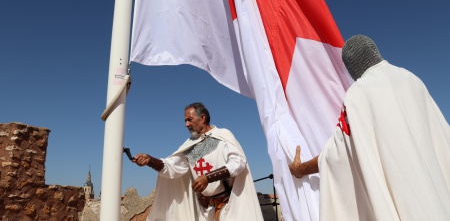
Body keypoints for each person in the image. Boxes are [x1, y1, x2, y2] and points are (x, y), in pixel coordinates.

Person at [289, 35, 450, 220]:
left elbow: (337, 155)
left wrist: (300, 169)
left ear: (350, 66)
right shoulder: (411, 79)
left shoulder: (358, 94)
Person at [133, 102, 264, 221]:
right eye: (185, 121)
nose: (186, 124)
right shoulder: (189, 144)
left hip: (229, 206)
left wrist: (208, 177)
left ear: (202, 118)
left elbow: (238, 163)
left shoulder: (223, 135)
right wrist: (150, 160)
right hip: (204, 211)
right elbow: (172, 167)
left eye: (189, 120)